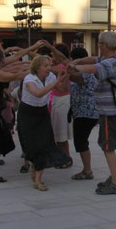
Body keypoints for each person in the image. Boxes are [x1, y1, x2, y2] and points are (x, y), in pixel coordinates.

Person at [69, 31, 116, 195]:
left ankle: (115, 183)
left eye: (99, 43)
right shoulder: (108, 59)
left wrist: (75, 66)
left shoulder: (110, 64)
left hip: (111, 112)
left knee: (108, 147)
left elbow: (94, 68)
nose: (98, 46)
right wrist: (78, 60)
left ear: (105, 46)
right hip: (111, 111)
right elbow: (93, 60)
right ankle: (115, 177)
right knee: (108, 145)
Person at [0, 43, 39, 183]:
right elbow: (16, 76)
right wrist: (35, 68)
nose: (5, 59)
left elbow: (17, 57)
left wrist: (33, 47)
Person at [17, 55, 70, 191]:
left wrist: (63, 77)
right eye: (45, 65)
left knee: (44, 144)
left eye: (49, 65)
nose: (48, 68)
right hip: (28, 114)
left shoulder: (51, 77)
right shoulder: (29, 78)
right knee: (31, 145)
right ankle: (34, 165)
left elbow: (62, 89)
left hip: (42, 112)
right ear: (37, 67)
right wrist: (56, 80)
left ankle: (38, 180)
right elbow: (38, 93)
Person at [68, 47, 99, 180]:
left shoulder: (86, 73)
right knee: (81, 141)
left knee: (81, 141)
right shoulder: (88, 70)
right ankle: (87, 170)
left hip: (86, 112)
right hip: (83, 111)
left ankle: (87, 170)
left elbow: (70, 76)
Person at [46, 42, 73, 169]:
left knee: (61, 133)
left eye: (53, 54)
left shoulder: (64, 67)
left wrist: (54, 81)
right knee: (57, 132)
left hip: (62, 101)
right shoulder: (57, 66)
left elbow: (63, 88)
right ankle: (61, 157)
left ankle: (66, 158)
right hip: (56, 101)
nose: (51, 57)